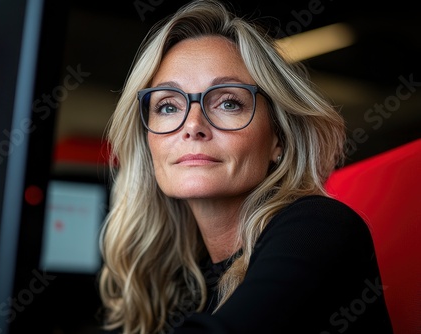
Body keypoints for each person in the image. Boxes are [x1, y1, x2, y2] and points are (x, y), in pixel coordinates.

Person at [96, 0, 393, 333]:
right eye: (167, 106)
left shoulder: (320, 227)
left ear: (278, 138)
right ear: (148, 142)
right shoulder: (175, 277)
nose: (193, 125)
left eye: (227, 102)